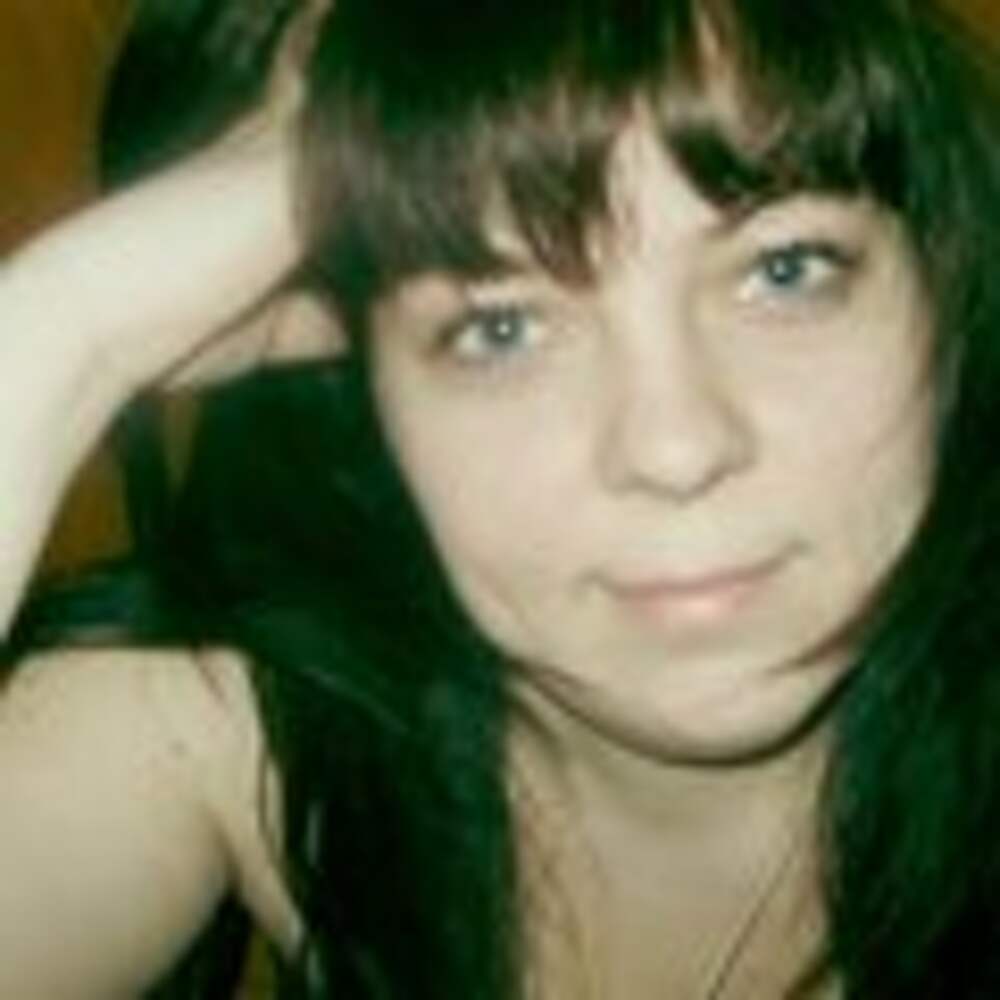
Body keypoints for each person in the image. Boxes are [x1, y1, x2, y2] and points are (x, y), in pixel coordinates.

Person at [3, 0, 1000, 996]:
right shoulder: (222, 721)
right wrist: (69, 326)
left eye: (785, 271)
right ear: (367, 389)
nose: (675, 449)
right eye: (501, 327)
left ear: (944, 287)